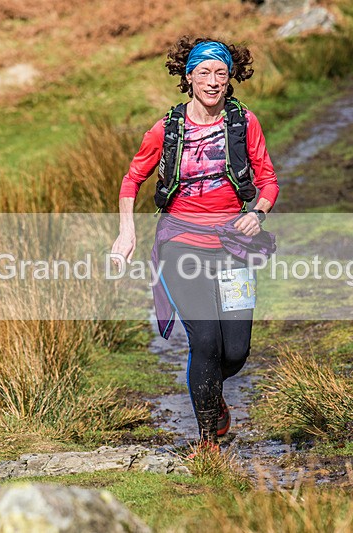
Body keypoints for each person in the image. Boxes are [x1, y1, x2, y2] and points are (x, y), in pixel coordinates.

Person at [111, 36, 280, 452]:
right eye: (203, 72)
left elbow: (269, 182)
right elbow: (132, 179)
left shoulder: (244, 122)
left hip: (232, 245)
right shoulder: (167, 128)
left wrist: (256, 215)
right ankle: (208, 439)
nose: (212, 81)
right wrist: (126, 232)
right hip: (180, 243)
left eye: (221, 73)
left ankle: (212, 396)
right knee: (205, 340)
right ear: (188, 78)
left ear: (230, 78)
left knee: (236, 352)